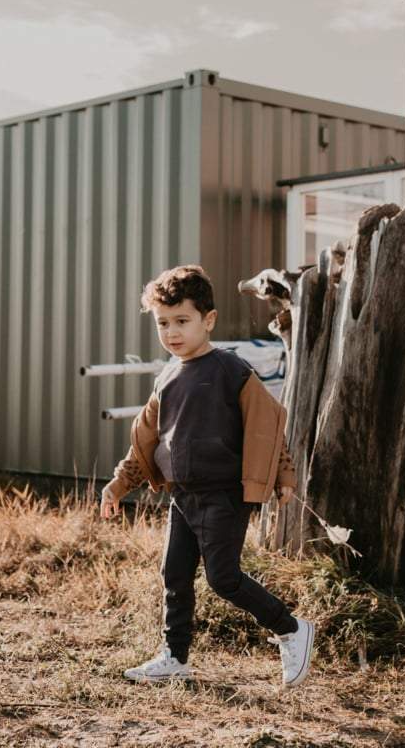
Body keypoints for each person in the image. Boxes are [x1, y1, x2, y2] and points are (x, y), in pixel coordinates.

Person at [100, 265, 314, 687]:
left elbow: (268, 424)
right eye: (164, 323)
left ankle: (291, 628)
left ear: (208, 320)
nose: (172, 332)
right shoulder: (166, 380)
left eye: (183, 321)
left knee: (223, 577)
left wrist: (284, 474)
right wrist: (118, 484)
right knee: (175, 574)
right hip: (184, 496)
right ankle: (174, 656)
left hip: (226, 494)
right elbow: (144, 443)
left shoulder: (230, 371)